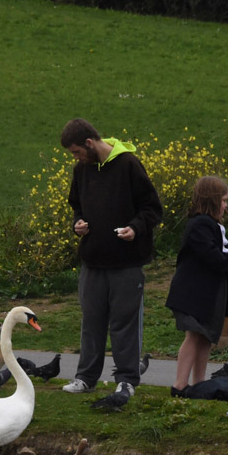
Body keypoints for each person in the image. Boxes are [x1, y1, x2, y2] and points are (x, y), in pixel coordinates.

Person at [60, 118, 163, 402]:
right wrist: (77, 223)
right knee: (91, 322)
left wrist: (136, 228)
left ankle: (127, 381)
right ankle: (86, 378)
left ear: (90, 143)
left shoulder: (129, 165)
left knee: (124, 324)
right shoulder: (82, 170)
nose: (77, 158)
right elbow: (76, 206)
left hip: (127, 265)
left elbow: (153, 208)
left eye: (77, 152)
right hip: (92, 262)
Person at [166, 176, 228, 395]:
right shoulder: (200, 224)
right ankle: (180, 384)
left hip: (208, 292)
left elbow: (219, 252)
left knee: (206, 337)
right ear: (213, 200)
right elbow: (210, 255)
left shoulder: (212, 225)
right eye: (224, 200)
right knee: (193, 335)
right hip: (193, 293)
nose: (226, 205)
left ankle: (198, 384)